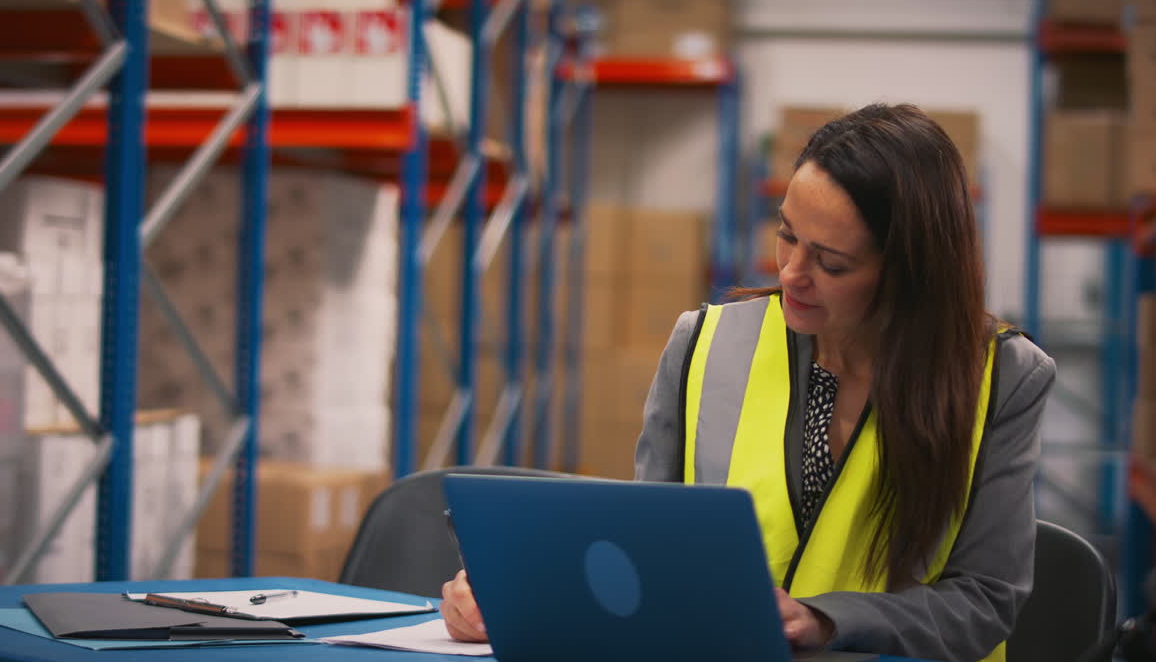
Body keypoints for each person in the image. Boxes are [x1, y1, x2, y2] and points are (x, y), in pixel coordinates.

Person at [440, 103, 1054, 662]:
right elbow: (643, 553)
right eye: (786, 235)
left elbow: (984, 601)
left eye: (831, 262)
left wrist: (824, 620)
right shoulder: (704, 344)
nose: (791, 273)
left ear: (910, 271)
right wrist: (512, 598)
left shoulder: (1003, 377)